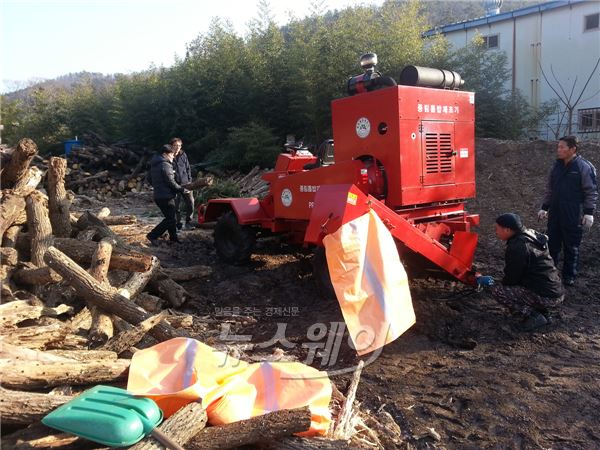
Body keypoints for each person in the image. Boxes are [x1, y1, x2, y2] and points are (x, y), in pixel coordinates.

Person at [477, 213, 565, 331]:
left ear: (507, 230)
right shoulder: (530, 235)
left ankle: (533, 315)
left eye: (497, 229)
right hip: (555, 290)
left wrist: (491, 282)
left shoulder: (517, 247)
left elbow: (511, 279)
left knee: (497, 290)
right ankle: (543, 312)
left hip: (547, 296)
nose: (496, 232)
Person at [537, 136, 598, 286]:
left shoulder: (583, 167)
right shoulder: (556, 166)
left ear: (573, 149)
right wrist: (545, 208)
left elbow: (591, 191)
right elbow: (550, 189)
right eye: (558, 147)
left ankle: (569, 276)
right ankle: (551, 274)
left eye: (562, 147)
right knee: (553, 244)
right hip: (556, 211)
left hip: (573, 211)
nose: (559, 150)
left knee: (571, 245)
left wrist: (589, 212)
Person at [146, 144, 184, 245]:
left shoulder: (155, 164)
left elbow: (149, 178)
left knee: (171, 217)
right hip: (166, 196)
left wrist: (158, 186)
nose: (173, 156)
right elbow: (170, 182)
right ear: (165, 154)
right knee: (171, 219)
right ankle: (152, 235)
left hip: (159, 195)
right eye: (171, 154)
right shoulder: (165, 165)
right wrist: (181, 189)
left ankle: (173, 238)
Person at [171, 138, 195, 230]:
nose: (177, 147)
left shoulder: (183, 154)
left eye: (179, 145)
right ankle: (178, 224)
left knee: (191, 203)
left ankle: (188, 222)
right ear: (171, 146)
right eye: (175, 145)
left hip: (186, 183)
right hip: (175, 185)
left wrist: (189, 179)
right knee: (176, 206)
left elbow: (188, 167)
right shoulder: (169, 156)